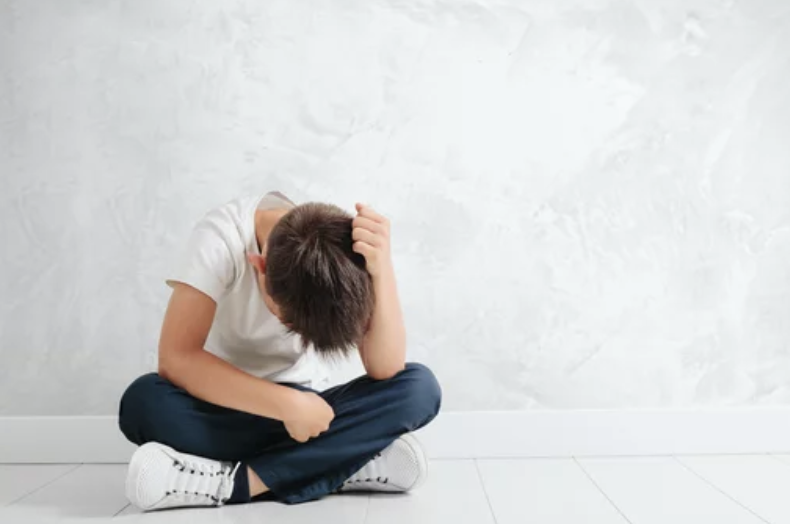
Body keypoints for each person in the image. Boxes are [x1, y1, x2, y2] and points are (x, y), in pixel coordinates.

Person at [117, 191, 441, 511]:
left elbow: (384, 369)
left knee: (419, 388)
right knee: (143, 402)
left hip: (308, 415)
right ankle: (339, 464)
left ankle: (234, 483)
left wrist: (381, 269)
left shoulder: (334, 252)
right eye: (287, 320)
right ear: (259, 266)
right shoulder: (220, 238)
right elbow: (177, 358)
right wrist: (288, 406)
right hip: (223, 404)